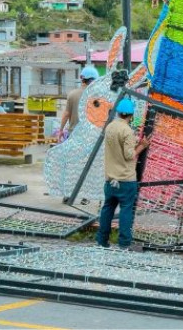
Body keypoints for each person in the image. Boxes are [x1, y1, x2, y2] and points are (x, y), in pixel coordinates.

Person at [95, 99, 150, 250]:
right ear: (131, 115)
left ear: (118, 112)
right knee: (126, 210)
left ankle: (101, 240)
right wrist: (142, 146)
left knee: (107, 209)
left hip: (110, 179)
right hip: (126, 180)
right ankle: (124, 243)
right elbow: (129, 155)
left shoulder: (110, 127)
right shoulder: (127, 131)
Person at [58, 66, 100, 140]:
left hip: (73, 135)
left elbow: (66, 114)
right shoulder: (97, 96)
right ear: (93, 81)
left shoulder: (72, 94)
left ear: (82, 79)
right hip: (90, 136)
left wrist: (61, 130)